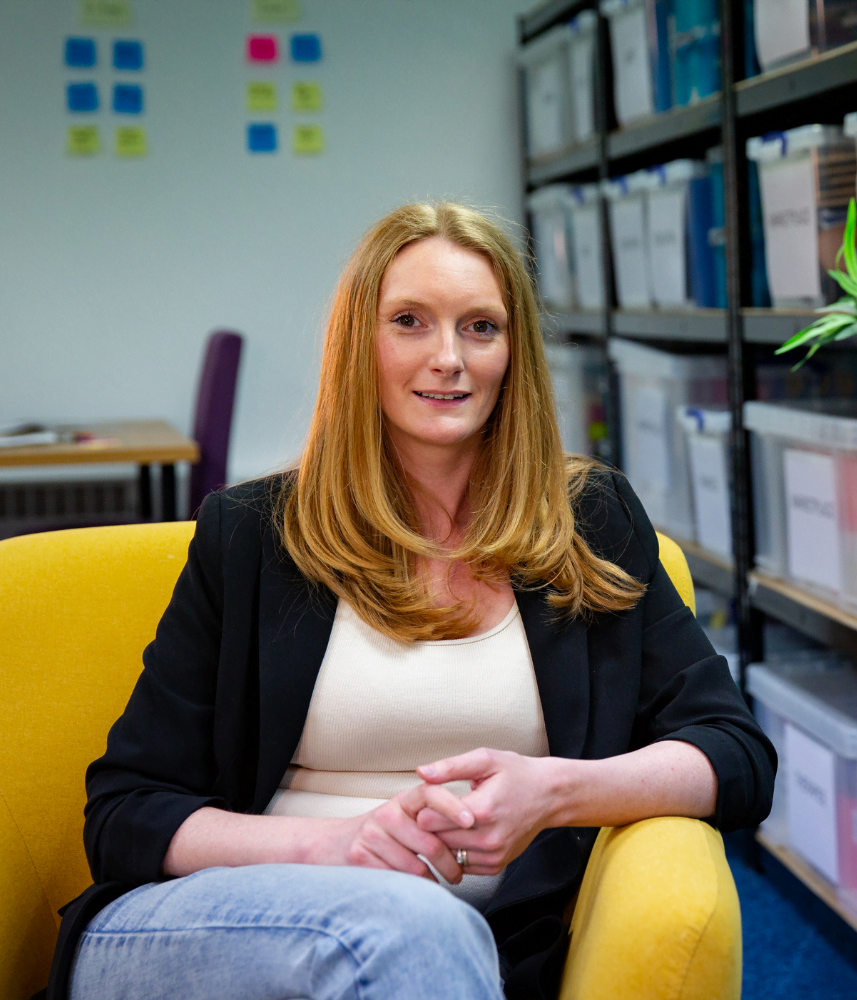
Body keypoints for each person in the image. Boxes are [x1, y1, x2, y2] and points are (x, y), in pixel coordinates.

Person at [46, 202, 776, 1000]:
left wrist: (557, 792)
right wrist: (340, 846)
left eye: (480, 328)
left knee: (432, 937)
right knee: (413, 929)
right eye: (410, 322)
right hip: (226, 925)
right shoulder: (251, 534)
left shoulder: (590, 522)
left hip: (475, 951)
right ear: (361, 344)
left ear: (514, 355)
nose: (448, 359)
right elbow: (125, 813)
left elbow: (735, 754)